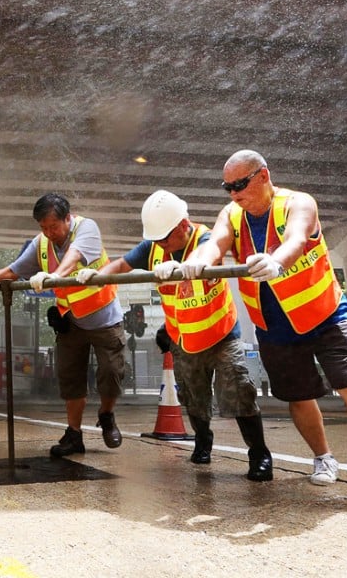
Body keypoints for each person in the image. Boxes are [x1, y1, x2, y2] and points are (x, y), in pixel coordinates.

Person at [180, 150, 347, 513]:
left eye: (239, 184)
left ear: (263, 176)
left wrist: (275, 261)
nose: (233, 194)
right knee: (300, 396)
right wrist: (193, 265)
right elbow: (214, 244)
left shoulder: (297, 203)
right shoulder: (232, 215)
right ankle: (323, 458)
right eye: (227, 187)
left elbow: (296, 240)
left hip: (327, 315)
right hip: (274, 326)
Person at [78, 190, 272, 481]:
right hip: (184, 340)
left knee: (239, 391)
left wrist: (184, 266)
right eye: (157, 240)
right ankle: (203, 441)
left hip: (221, 335)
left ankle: (259, 455)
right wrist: (97, 276)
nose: (161, 245)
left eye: (166, 238)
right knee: (193, 397)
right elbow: (122, 265)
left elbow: (210, 252)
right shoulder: (154, 246)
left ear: (184, 224)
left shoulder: (205, 239)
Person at [0, 193, 126, 457]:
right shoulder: (41, 244)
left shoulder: (87, 228)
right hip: (71, 322)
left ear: (67, 219)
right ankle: (74, 435)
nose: (49, 233)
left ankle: (106, 414)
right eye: (43, 228)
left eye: (54, 227)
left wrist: (54, 276)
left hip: (104, 319)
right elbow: (13, 271)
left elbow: (74, 255)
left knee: (111, 373)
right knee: (70, 379)